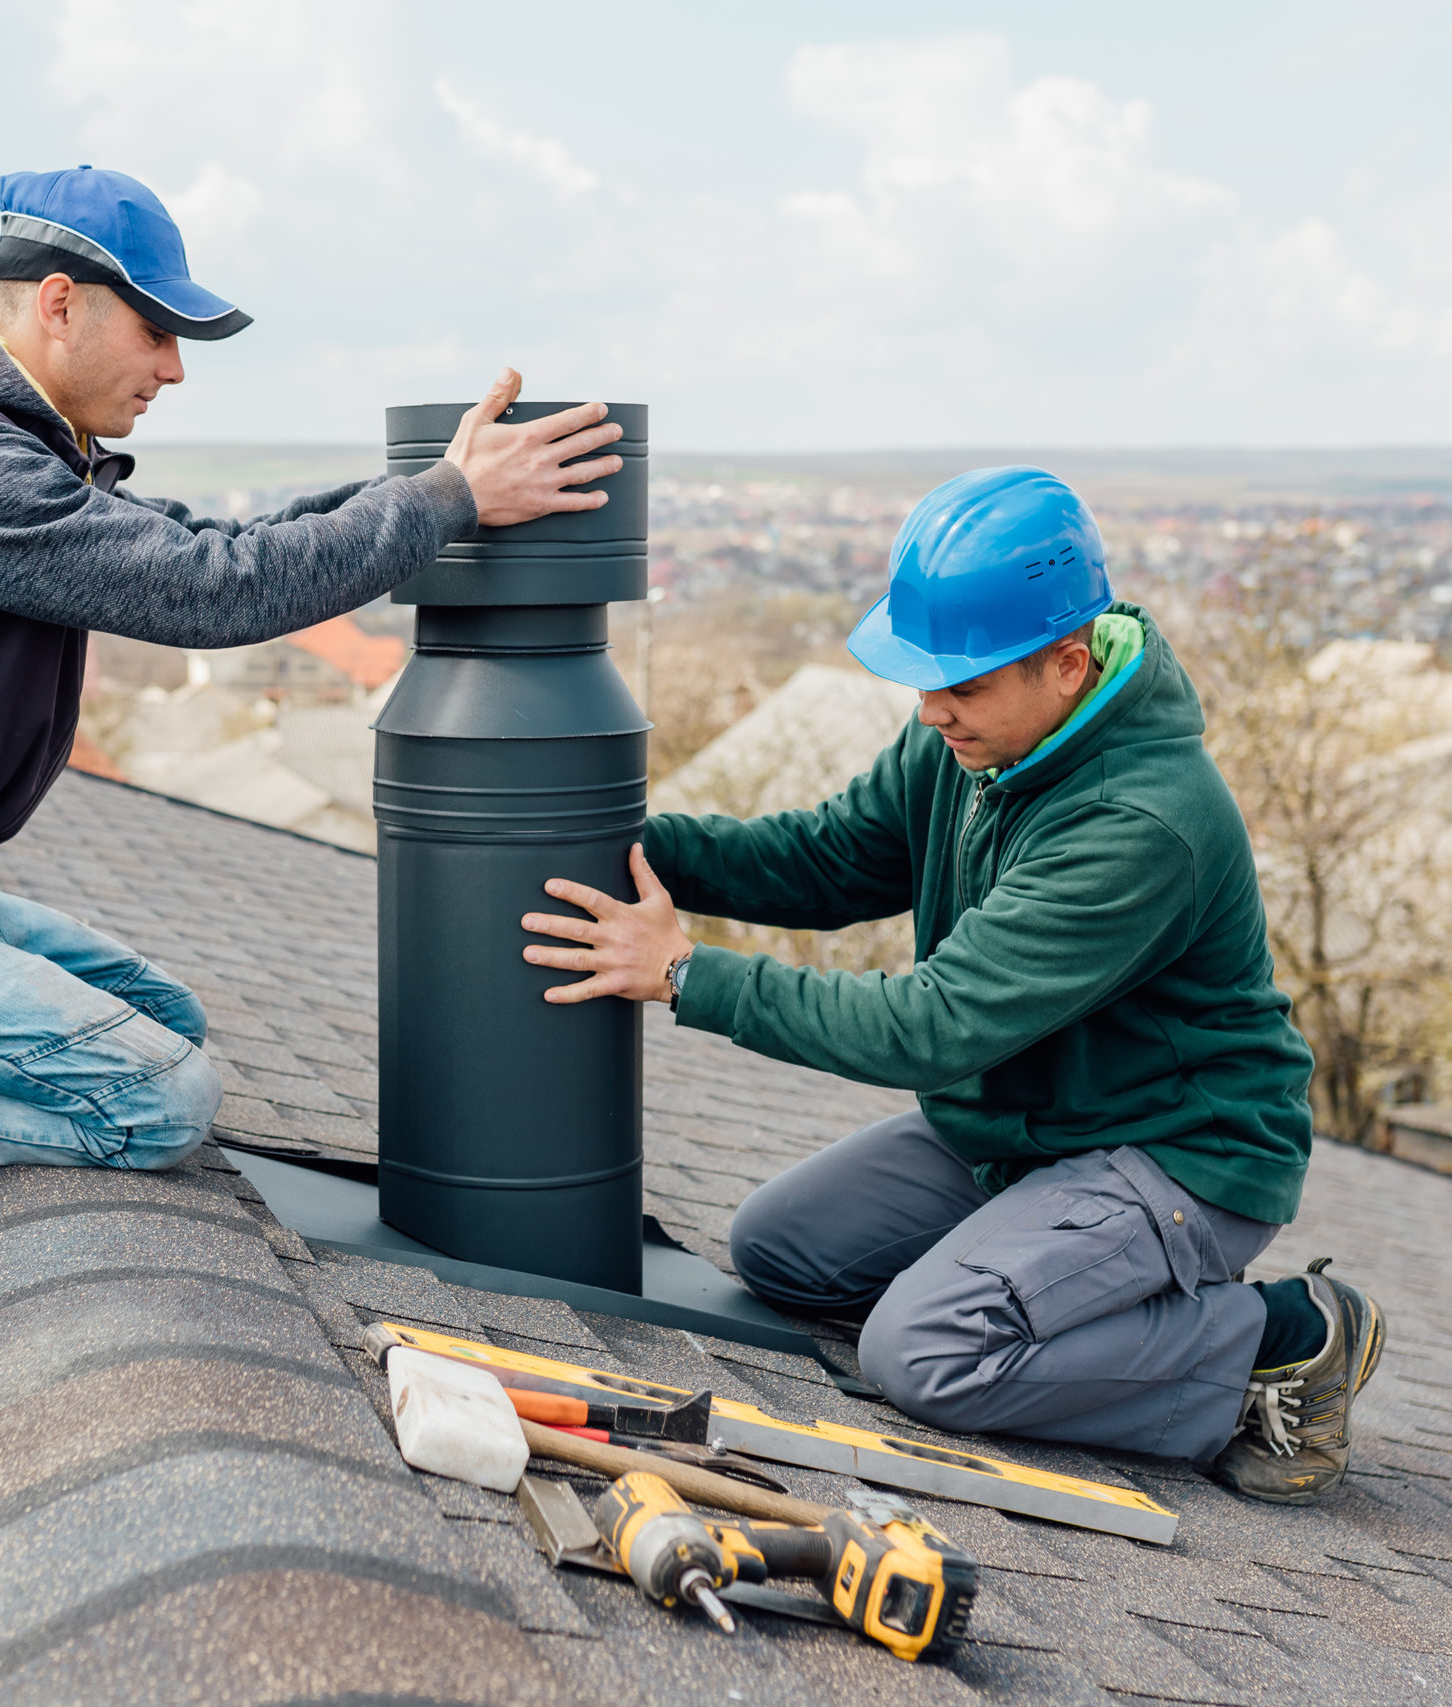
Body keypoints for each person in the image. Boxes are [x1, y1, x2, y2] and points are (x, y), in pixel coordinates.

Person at [0, 165, 620, 1263]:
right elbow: (217, 591)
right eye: (157, 331)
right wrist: (452, 500)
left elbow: (208, 545)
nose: (173, 368)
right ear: (58, 303)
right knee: (158, 1098)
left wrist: (427, 485)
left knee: (168, 1024)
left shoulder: (13, 451)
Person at [518, 467, 1385, 1504]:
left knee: (924, 1356)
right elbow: (830, 861)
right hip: (1020, 1134)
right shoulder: (978, 740)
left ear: (1067, 667)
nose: (931, 711)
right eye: (924, 681)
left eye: (960, 687)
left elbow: (930, 1028)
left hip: (1172, 1157)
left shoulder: (1139, 824)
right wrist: (625, 844)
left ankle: (1273, 1341)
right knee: (781, 1251)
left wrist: (684, 975)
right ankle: (1059, 1287)